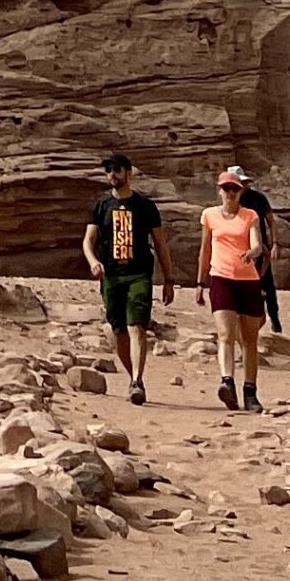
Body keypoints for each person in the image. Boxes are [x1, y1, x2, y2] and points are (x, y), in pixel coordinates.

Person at [83, 153, 174, 407]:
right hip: (111, 276)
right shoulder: (101, 206)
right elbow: (88, 241)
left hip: (138, 275)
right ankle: (133, 377)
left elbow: (160, 243)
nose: (112, 174)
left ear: (128, 173)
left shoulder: (145, 207)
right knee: (119, 331)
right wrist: (93, 262)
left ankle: (137, 381)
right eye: (109, 170)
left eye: (117, 169)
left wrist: (168, 279)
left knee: (137, 327)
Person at [198, 171, 271, 412]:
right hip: (221, 278)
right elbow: (205, 249)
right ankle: (227, 381)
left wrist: (253, 251)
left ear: (241, 192)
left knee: (249, 339)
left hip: (248, 280)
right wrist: (200, 283)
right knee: (225, 334)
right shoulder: (209, 215)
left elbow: (257, 243)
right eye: (226, 189)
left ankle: (250, 391)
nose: (230, 193)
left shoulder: (250, 216)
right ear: (219, 191)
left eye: (234, 189)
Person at [220, 165, 285, 334]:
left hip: (260, 249)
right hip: (240, 251)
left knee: (268, 285)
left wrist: (275, 243)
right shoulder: (232, 201)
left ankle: (275, 321)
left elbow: (271, 221)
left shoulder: (258, 198)